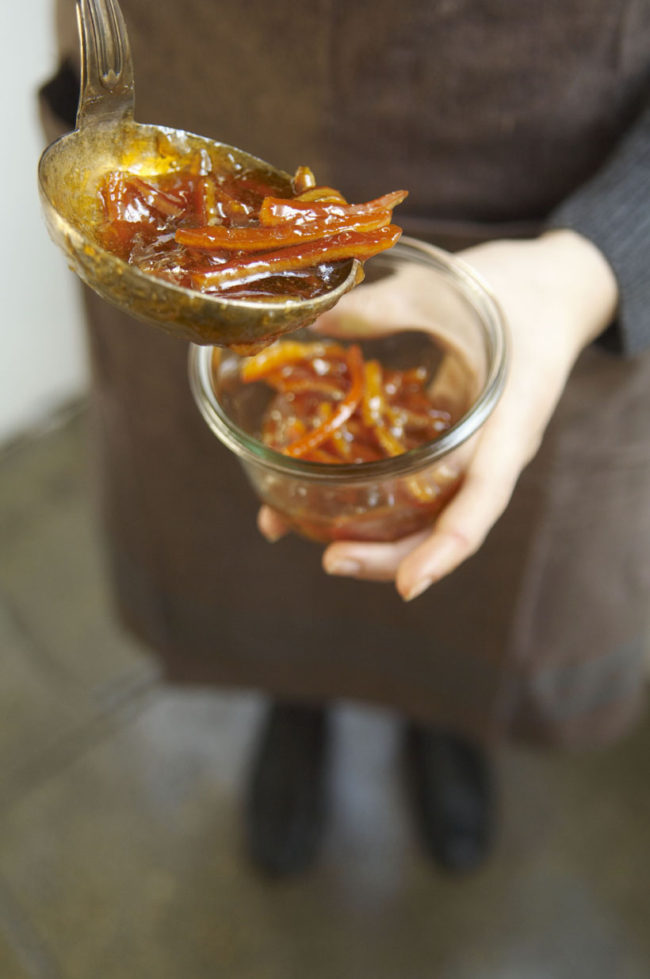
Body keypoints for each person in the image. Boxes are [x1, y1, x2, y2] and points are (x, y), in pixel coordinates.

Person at [40, 0, 650, 876]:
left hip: (548, 159)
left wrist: (600, 257)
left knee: (465, 565)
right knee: (257, 547)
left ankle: (441, 710)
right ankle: (297, 694)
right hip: (195, 77)